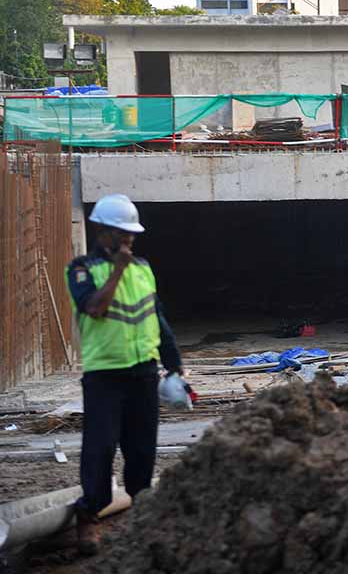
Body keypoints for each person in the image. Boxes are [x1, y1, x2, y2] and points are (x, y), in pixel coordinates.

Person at [65, 194, 183, 555]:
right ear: (103, 232)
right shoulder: (82, 269)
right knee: (100, 449)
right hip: (105, 375)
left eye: (132, 233)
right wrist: (117, 270)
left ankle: (141, 514)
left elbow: (156, 316)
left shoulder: (143, 268)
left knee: (142, 449)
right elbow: (95, 308)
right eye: (122, 233)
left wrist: (174, 364)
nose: (129, 239)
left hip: (143, 372)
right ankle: (89, 513)